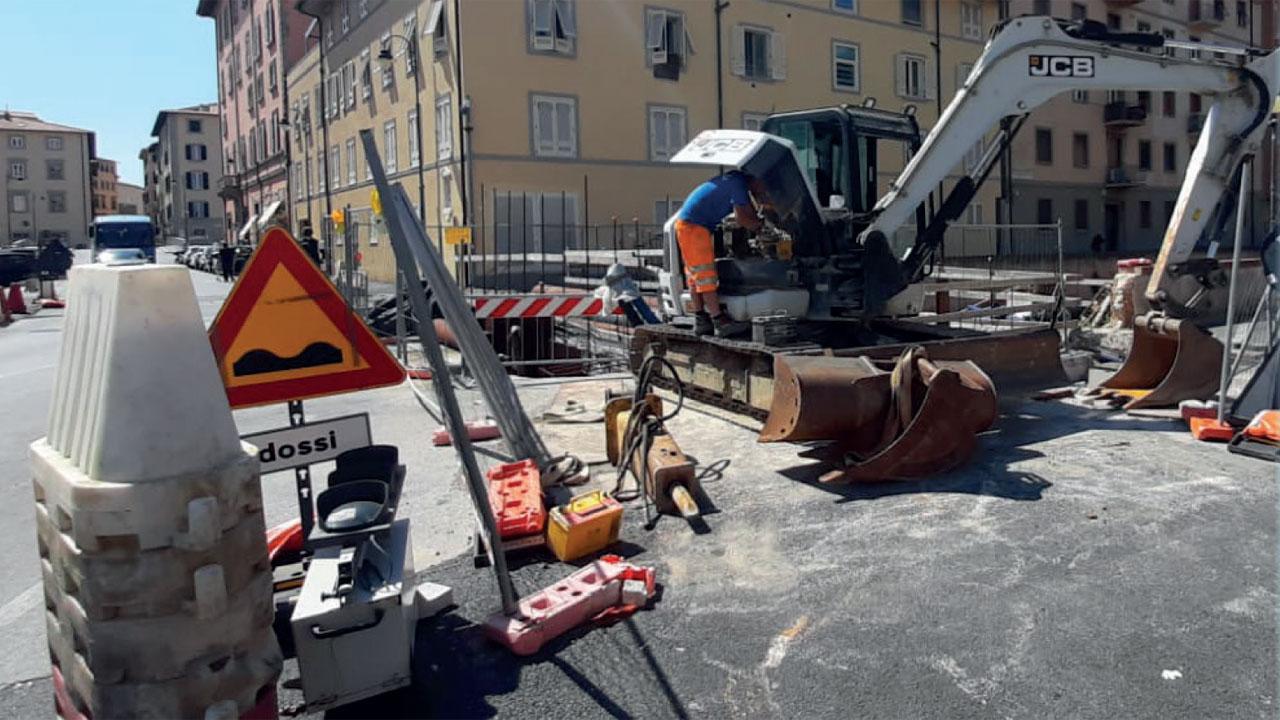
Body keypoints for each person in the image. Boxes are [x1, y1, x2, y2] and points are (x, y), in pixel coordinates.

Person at [674, 170, 764, 337]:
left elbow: (747, 211)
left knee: (695, 276)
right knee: (705, 275)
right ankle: (719, 321)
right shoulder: (738, 185)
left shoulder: (733, 181)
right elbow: (743, 219)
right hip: (694, 227)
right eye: (762, 185)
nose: (763, 190)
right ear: (755, 180)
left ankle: (702, 320)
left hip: (687, 225)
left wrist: (758, 215)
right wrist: (761, 228)